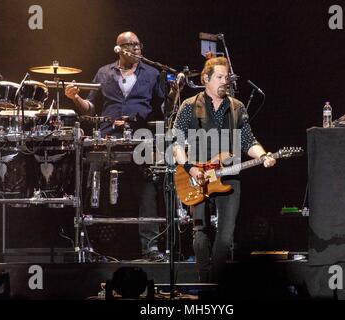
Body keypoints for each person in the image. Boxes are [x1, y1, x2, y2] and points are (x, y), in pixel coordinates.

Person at [65, 31, 177, 261]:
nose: (136, 49)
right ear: (118, 49)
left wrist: (174, 93)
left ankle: (151, 247)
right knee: (94, 186)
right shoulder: (104, 73)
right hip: (108, 136)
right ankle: (93, 246)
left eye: (138, 44)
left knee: (148, 187)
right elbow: (91, 108)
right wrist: (75, 98)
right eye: (130, 45)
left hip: (140, 136)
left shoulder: (152, 73)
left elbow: (166, 109)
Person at [172, 57, 276, 283]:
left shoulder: (236, 107)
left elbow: (249, 141)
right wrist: (189, 168)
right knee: (200, 233)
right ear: (205, 79)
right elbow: (176, 142)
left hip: (228, 175)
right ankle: (204, 277)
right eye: (219, 77)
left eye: (226, 77)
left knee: (226, 235)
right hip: (196, 175)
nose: (224, 81)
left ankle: (214, 282)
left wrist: (264, 155)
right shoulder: (189, 105)